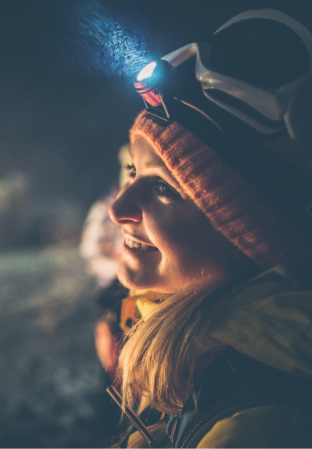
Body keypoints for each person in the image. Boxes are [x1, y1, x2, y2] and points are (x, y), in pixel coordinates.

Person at [107, 9, 312, 449]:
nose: (119, 207)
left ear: (247, 234)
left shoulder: (257, 423)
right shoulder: (208, 363)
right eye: (132, 170)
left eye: (164, 188)